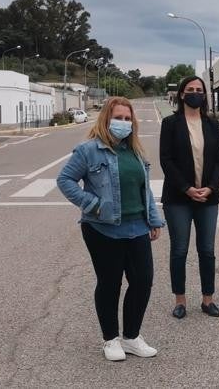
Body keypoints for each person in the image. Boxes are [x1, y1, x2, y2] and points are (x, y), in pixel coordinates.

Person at [56, 97, 164, 362]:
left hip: (137, 226)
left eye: (128, 119)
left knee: (142, 282)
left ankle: (131, 337)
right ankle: (110, 339)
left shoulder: (136, 151)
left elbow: (144, 189)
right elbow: (65, 179)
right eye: (118, 118)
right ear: (106, 119)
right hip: (102, 229)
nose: (123, 123)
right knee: (109, 284)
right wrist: (91, 205)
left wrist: (153, 219)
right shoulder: (88, 150)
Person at [159, 76, 219, 320]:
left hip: (208, 197)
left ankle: (208, 300)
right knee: (179, 250)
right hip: (178, 198)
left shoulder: (212, 124)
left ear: (204, 95)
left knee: (207, 250)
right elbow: (166, 160)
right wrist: (187, 188)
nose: (195, 93)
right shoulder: (170, 124)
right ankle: (180, 301)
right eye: (190, 89)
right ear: (181, 94)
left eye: (199, 90)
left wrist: (210, 187)